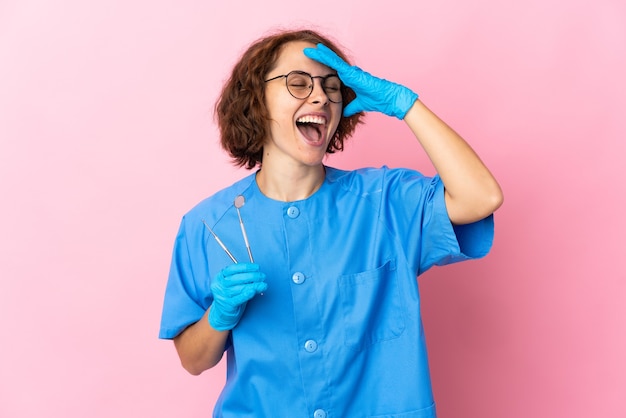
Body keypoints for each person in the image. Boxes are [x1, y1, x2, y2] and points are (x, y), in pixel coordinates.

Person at [159, 28, 503, 418]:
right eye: (299, 83)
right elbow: (193, 360)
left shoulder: (386, 202)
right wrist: (218, 315)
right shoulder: (207, 226)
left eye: (331, 86)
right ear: (257, 102)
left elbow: (482, 198)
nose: (321, 96)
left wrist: (404, 105)